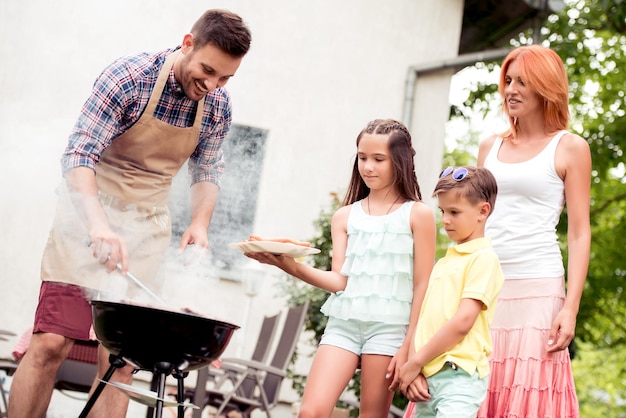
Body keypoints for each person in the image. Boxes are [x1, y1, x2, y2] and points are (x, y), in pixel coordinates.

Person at [8, 9, 252, 418]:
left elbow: (208, 167)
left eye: (224, 78)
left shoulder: (216, 106)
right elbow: (79, 155)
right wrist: (99, 225)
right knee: (50, 343)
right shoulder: (128, 78)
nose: (212, 85)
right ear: (187, 44)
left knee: (121, 360)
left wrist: (199, 223)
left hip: (147, 230)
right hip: (84, 220)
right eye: (208, 70)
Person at [246, 119, 436, 418]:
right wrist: (287, 265)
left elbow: (423, 284)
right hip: (343, 326)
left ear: (400, 161)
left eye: (378, 159)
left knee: (371, 415)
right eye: (362, 158)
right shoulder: (345, 216)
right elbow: (339, 281)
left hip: (389, 330)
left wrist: (410, 346)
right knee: (311, 412)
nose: (368, 167)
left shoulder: (419, 215)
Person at [476, 45, 591, 417]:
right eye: (508, 80)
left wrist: (570, 307)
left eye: (523, 81)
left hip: (539, 288)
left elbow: (578, 233)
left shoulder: (570, 148)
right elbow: (474, 221)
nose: (511, 89)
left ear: (546, 87)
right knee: (475, 385)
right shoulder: (489, 146)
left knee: (526, 395)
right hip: (486, 284)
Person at [394, 166, 504, 417]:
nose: (445, 219)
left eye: (454, 212)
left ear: (483, 211)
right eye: (443, 211)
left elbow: (463, 322)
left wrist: (415, 363)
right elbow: (423, 321)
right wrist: (416, 371)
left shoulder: (484, 259)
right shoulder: (444, 262)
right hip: (426, 380)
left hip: (459, 378)